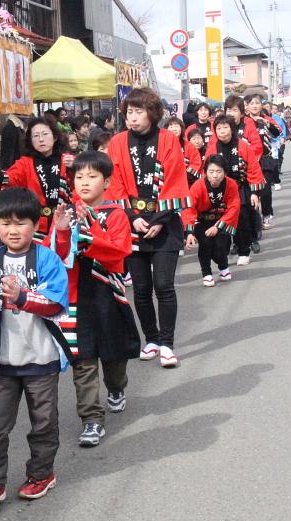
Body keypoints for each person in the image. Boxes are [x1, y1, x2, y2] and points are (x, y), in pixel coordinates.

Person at [0, 187, 70, 515]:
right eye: (5, 223)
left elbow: (57, 301)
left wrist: (22, 297)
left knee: (44, 422)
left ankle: (41, 473)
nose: (12, 230)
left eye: (20, 222)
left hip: (42, 355)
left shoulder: (46, 257)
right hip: (2, 361)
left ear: (35, 225)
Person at [46, 152, 139, 447]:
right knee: (82, 359)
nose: (84, 182)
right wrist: (61, 231)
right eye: (79, 177)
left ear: (107, 181)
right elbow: (55, 256)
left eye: (92, 176)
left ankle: (116, 387)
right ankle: (91, 419)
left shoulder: (116, 214)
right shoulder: (67, 212)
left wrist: (92, 228)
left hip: (108, 297)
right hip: (75, 299)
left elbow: (118, 254)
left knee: (114, 356)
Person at [106, 87, 191, 368]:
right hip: (131, 222)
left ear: (152, 113)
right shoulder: (118, 142)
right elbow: (114, 182)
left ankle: (167, 343)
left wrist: (160, 220)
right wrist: (131, 217)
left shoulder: (168, 139)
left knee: (164, 285)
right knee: (140, 288)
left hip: (164, 223)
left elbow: (176, 179)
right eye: (129, 112)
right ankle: (151, 339)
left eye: (138, 111)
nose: (132, 117)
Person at [0, 117, 75, 241]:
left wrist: (75, 168)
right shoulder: (25, 163)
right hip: (37, 223)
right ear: (30, 141)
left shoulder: (67, 160)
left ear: (55, 137)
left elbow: (79, 186)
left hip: (65, 221)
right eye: (35, 136)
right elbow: (10, 180)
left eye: (45, 134)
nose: (41, 139)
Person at [205, 115, 266, 265]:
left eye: (225, 127)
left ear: (232, 129)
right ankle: (223, 252)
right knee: (222, 221)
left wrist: (254, 193)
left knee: (242, 221)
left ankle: (244, 251)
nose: (222, 131)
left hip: (240, 188)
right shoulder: (212, 148)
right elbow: (206, 170)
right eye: (218, 128)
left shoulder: (243, 145)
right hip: (220, 190)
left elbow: (253, 168)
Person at [184, 155, 241, 287]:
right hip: (201, 221)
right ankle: (207, 273)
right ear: (205, 172)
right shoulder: (198, 186)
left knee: (221, 247)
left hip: (221, 220)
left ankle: (223, 267)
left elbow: (234, 207)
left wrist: (218, 226)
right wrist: (189, 233)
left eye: (218, 171)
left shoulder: (231, 184)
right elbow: (189, 209)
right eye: (211, 171)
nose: (214, 176)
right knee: (206, 242)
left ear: (225, 172)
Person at [245, 94, 282, 230]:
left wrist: (267, 124)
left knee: (265, 191)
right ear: (247, 106)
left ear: (262, 105)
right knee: (250, 192)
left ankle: (266, 215)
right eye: (251, 103)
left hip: (265, 159)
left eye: (257, 103)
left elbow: (278, 132)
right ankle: (253, 219)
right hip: (248, 161)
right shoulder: (243, 121)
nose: (254, 106)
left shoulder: (267, 119)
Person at [166, 117, 203, 185]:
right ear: (166, 129)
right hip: (166, 179)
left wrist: (183, 175)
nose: (174, 129)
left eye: (177, 126)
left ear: (181, 129)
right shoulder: (162, 144)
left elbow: (196, 163)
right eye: (171, 126)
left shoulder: (189, 146)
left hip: (186, 181)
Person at [265, 102, 288, 188]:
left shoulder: (275, 117)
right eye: (265, 107)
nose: (267, 109)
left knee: (276, 158)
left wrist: (282, 137)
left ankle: (276, 178)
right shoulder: (259, 118)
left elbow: (281, 129)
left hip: (274, 141)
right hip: (264, 142)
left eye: (268, 107)